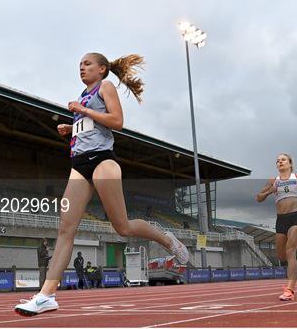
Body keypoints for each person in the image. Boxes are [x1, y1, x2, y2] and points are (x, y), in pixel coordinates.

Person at [14, 52, 189, 316]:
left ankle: (168, 240)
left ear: (102, 69)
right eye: (79, 65)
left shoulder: (104, 87)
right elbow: (91, 127)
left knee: (123, 227)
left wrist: (82, 111)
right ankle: (45, 296)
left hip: (103, 161)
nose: (82, 68)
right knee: (65, 228)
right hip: (79, 165)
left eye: (87, 64)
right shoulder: (83, 96)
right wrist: (70, 128)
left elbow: (117, 122)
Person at [256, 153, 297, 301]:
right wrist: (268, 191)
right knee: (281, 256)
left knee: (290, 251)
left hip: (296, 217)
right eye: (277, 161)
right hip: (281, 220)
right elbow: (258, 198)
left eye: (283, 160)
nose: (280, 162)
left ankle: (290, 289)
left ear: (290, 163)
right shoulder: (273, 180)